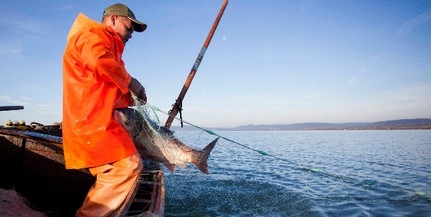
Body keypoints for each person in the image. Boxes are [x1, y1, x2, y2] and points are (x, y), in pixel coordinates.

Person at [62, 3, 148, 216]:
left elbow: (106, 85)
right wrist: (132, 83)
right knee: (127, 168)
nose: (131, 35)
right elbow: (99, 62)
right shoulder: (92, 35)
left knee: (127, 166)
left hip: (102, 123)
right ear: (113, 19)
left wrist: (130, 95)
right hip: (91, 124)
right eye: (129, 28)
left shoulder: (109, 48)